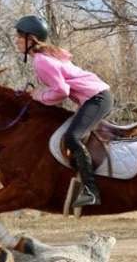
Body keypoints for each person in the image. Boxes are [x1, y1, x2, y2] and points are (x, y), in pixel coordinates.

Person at [15, 15, 113, 207]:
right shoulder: (46, 57)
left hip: (97, 98)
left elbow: (61, 91)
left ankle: (91, 191)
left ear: (30, 39)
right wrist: (39, 93)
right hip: (97, 97)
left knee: (72, 138)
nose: (16, 41)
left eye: (19, 37)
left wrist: (38, 96)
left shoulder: (41, 61)